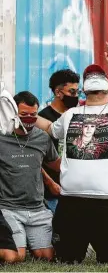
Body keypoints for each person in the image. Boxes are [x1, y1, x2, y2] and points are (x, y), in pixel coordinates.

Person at [36, 42, 108, 264]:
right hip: (71, 203)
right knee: (67, 260)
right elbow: (50, 128)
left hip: (107, 203)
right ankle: (87, 245)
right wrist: (24, 116)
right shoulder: (71, 115)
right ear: (83, 90)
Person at [0, 92, 61, 262]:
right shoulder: (2, 136)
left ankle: (24, 240)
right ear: (12, 114)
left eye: (33, 115)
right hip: (8, 208)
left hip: (37, 209)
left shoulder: (42, 138)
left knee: (46, 256)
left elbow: (56, 164)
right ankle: (18, 243)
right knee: (14, 258)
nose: (29, 119)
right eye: (24, 115)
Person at [39, 69, 80, 213]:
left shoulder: (78, 115)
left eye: (78, 92)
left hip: (77, 189)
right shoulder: (42, 118)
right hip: (53, 192)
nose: (76, 96)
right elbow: (35, 159)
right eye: (72, 92)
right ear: (58, 93)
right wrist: (50, 183)